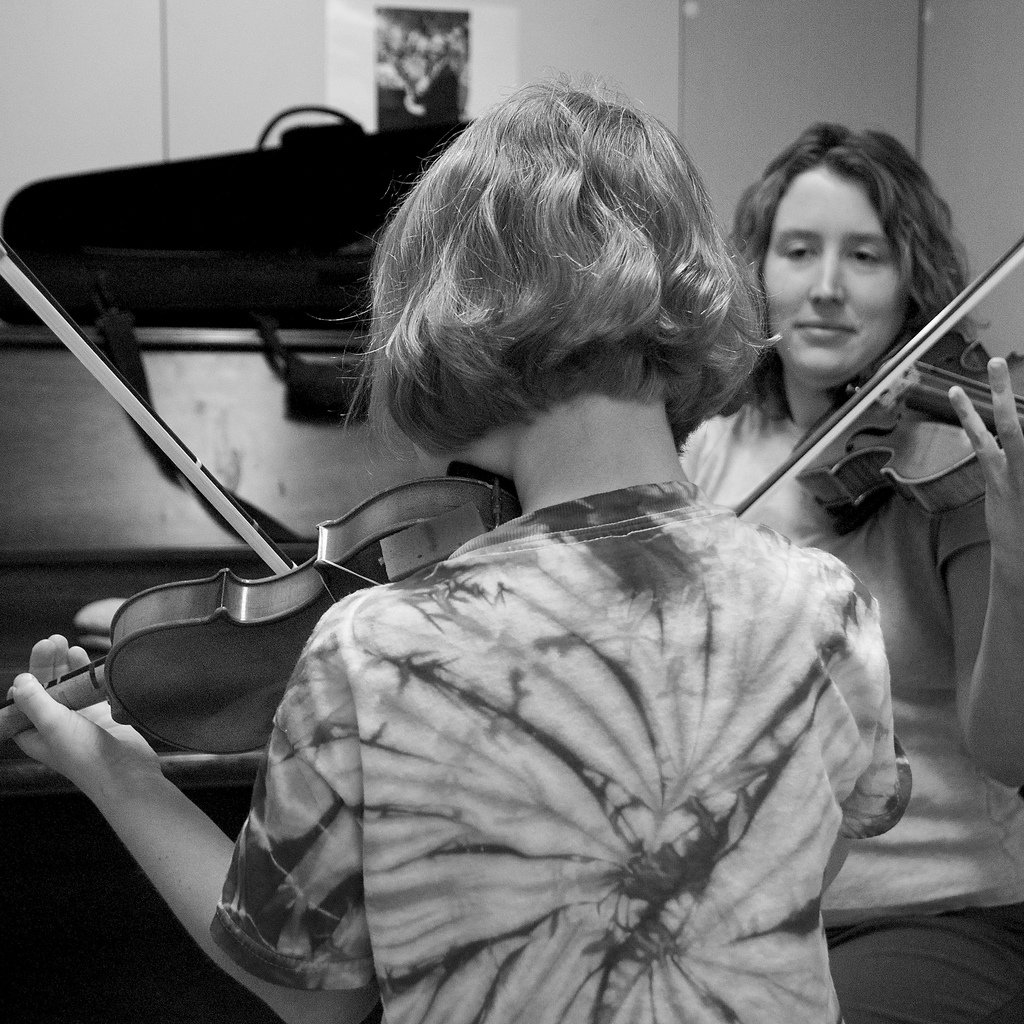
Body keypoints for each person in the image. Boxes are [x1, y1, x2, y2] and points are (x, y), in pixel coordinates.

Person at [11, 82, 907, 1024]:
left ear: (452, 318)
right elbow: (811, 862)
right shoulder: (827, 604)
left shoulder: (377, 651)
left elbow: (311, 996)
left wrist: (118, 775)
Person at [681, 122, 1024, 1023]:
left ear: (912, 280)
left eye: (864, 256)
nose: (826, 288)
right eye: (799, 252)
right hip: (748, 912)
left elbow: (1008, 749)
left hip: (933, 912)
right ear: (757, 271)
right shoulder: (713, 450)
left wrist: (1018, 553)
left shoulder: (949, 464)